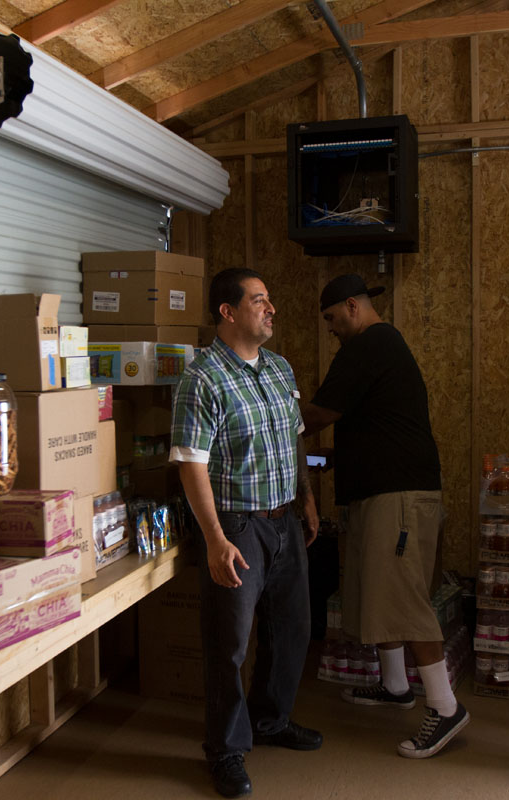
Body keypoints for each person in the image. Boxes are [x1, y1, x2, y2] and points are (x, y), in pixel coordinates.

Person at [300, 274, 469, 759]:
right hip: (383, 492)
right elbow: (354, 433)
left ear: (352, 306)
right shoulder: (378, 348)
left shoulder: (369, 344)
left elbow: (316, 416)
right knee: (381, 593)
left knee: (403, 597)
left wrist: (271, 428)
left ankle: (446, 706)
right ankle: (395, 687)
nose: (331, 328)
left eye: (332, 318)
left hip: (398, 496)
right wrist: (313, 460)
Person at [171, 267, 321, 799]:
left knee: (291, 631)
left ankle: (271, 721)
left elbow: (295, 439)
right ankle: (226, 750)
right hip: (238, 526)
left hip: (286, 519)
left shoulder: (279, 368)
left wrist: (307, 499)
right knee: (229, 644)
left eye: (270, 299)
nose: (271, 308)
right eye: (259, 300)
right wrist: (213, 537)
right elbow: (191, 463)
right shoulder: (203, 378)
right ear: (228, 312)